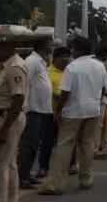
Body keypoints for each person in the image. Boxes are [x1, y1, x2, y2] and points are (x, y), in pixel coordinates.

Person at [39, 36, 107, 195]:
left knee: (64, 146)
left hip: (73, 111)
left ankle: (55, 184)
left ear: (76, 49)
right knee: (87, 145)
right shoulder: (100, 66)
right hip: (93, 110)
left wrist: (58, 111)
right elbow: (106, 89)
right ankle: (86, 179)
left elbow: (65, 92)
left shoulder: (72, 67)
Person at [0, 26, 29, 202]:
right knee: (9, 164)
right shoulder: (9, 65)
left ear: (7, 46)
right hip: (6, 118)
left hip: (7, 119)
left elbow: (18, 98)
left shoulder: (14, 67)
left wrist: (4, 129)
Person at [18, 36, 54, 189]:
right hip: (32, 110)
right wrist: (24, 108)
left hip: (41, 110)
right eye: (50, 44)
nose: (52, 46)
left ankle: (27, 174)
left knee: (34, 144)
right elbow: (25, 85)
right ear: (42, 46)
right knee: (29, 144)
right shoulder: (32, 61)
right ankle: (22, 177)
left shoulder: (40, 61)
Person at [37, 46, 72, 179]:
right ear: (55, 59)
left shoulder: (70, 71)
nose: (65, 61)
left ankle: (70, 165)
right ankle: (43, 167)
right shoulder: (46, 72)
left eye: (67, 58)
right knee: (47, 141)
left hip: (68, 112)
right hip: (50, 112)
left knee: (67, 141)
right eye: (62, 58)